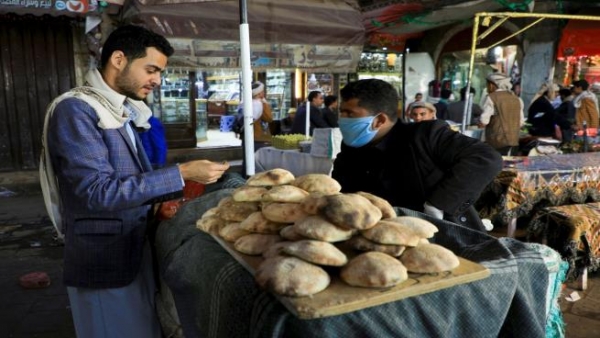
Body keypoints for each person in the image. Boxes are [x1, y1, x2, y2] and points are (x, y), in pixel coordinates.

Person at [40, 25, 230, 338]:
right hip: (104, 259)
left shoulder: (122, 110)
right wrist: (180, 174)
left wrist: (156, 208)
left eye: (159, 72)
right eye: (151, 69)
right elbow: (94, 192)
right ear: (118, 59)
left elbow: (129, 179)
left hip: (133, 248)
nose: (157, 80)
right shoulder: (76, 110)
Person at [331, 79, 502, 232]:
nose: (341, 119)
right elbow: (343, 191)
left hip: (442, 235)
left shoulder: (425, 135)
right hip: (379, 236)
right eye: (341, 112)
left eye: (349, 114)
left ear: (380, 120)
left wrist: (438, 203)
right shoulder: (351, 148)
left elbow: (485, 158)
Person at [478, 73, 525, 155]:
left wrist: (479, 123)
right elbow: (521, 122)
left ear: (492, 85)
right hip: (513, 140)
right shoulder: (517, 99)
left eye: (488, 84)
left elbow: (484, 121)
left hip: (496, 141)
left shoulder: (492, 97)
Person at [239, 81, 273, 174]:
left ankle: (244, 177)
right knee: (256, 161)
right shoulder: (258, 104)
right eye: (262, 91)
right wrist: (265, 103)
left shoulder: (244, 102)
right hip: (257, 137)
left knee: (247, 160)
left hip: (247, 135)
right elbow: (269, 118)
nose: (264, 93)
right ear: (259, 93)